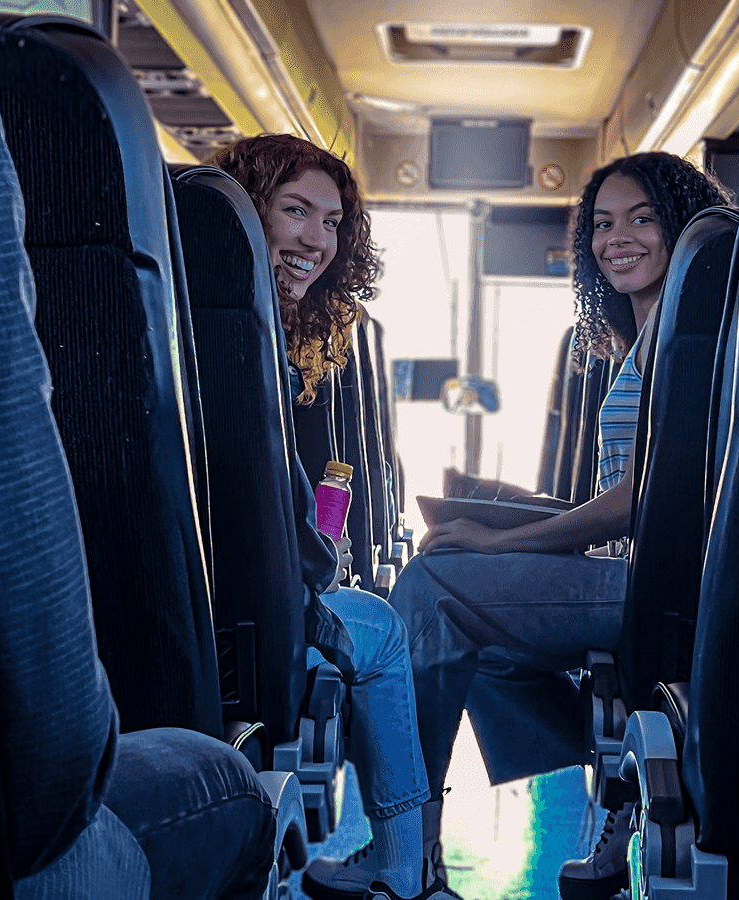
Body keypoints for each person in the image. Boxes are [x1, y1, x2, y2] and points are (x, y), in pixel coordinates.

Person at [383, 153, 731, 887]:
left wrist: (501, 538)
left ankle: (405, 851)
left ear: (683, 226)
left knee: (430, 589)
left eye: (643, 218)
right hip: (639, 572)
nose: (619, 239)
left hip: (664, 587)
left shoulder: (690, 328)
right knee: (482, 626)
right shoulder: (645, 333)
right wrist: (506, 518)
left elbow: (644, 502)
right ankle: (627, 786)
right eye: (603, 224)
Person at [206, 134, 458, 900]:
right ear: (247, 212)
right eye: (295, 211)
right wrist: (322, 559)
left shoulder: (189, 316)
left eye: (333, 220)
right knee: (381, 630)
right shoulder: (260, 345)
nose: (317, 238)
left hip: (205, 596)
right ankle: (404, 871)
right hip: (248, 609)